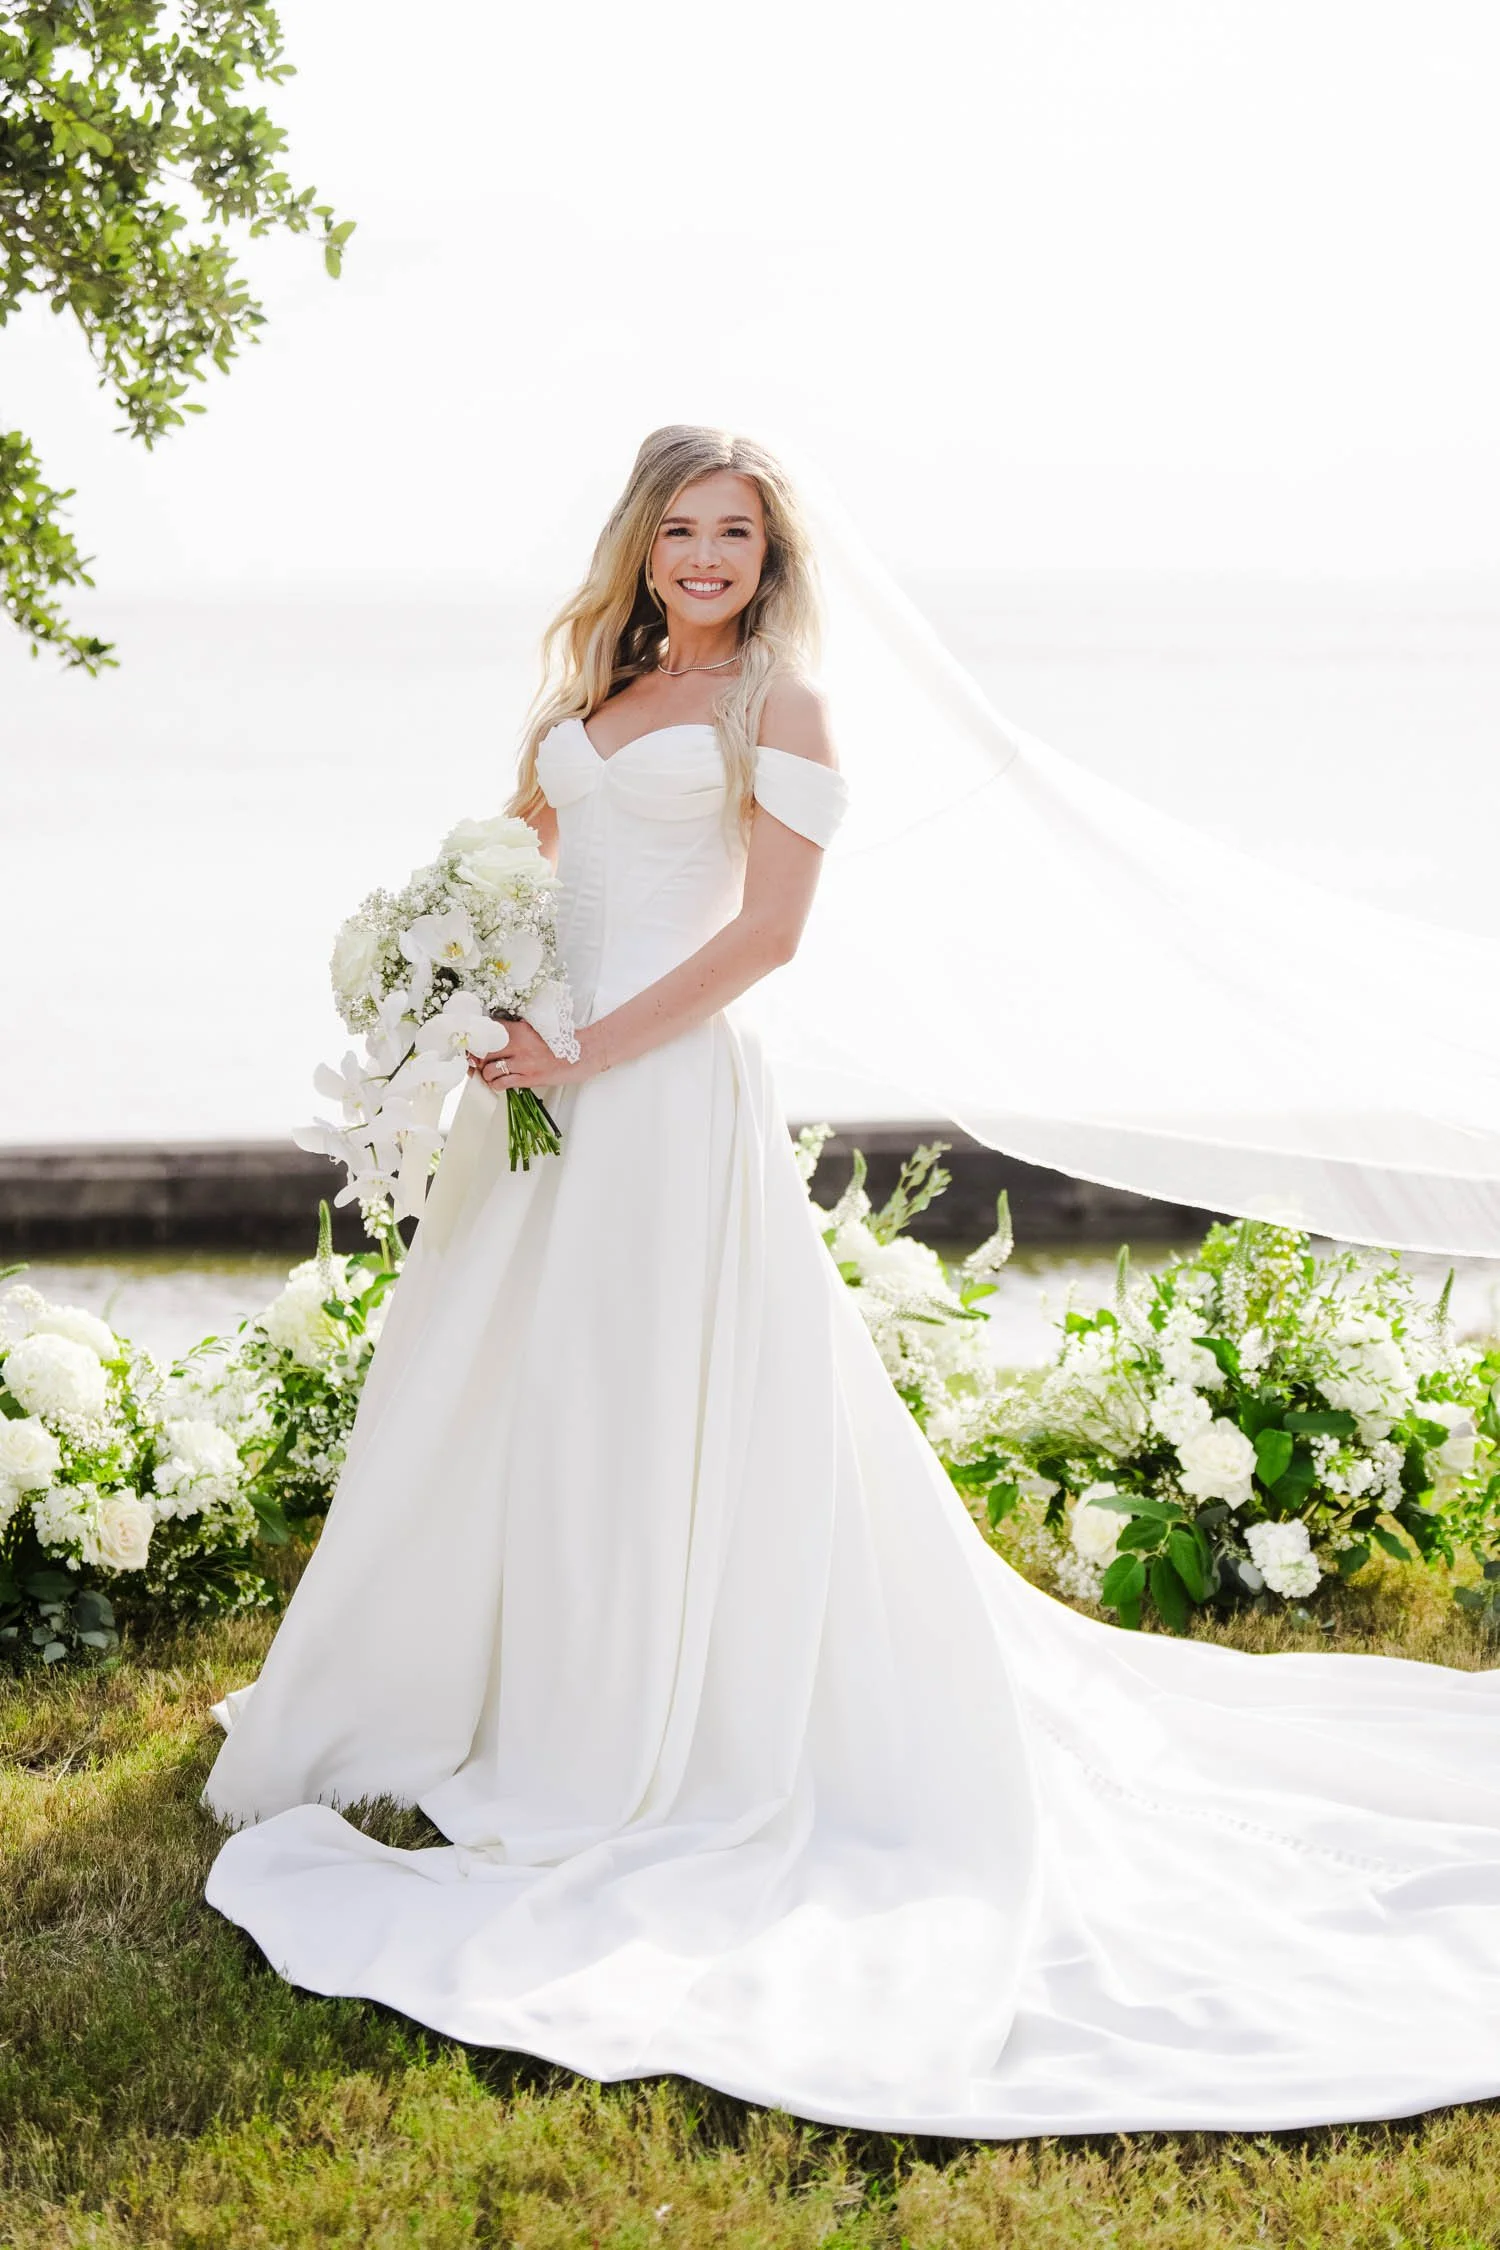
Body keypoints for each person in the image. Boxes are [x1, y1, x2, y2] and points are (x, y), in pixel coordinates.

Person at [205, 424, 1500, 2139]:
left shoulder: (781, 712)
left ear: (771, 553)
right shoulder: (591, 696)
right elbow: (526, 877)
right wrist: (460, 998)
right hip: (541, 1104)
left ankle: (636, 1719)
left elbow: (762, 942)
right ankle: (473, 1677)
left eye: (734, 532)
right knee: (503, 1389)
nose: (706, 557)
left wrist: (585, 1048)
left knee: (642, 1397)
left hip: (656, 1098)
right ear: (641, 543)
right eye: (681, 529)